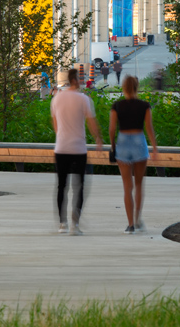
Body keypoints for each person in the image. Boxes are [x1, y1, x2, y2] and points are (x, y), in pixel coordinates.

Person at [50, 68, 103, 235]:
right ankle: (75, 225)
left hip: (61, 147)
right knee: (79, 186)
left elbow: (56, 124)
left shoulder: (57, 99)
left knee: (61, 186)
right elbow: (91, 123)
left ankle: (62, 224)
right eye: (80, 78)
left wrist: (61, 135)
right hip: (79, 148)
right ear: (76, 80)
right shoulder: (84, 99)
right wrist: (98, 139)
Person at [109, 74, 158, 233]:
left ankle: (130, 225)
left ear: (123, 88)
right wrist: (155, 148)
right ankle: (137, 219)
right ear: (136, 87)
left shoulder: (116, 106)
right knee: (138, 184)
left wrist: (113, 145)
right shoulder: (145, 106)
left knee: (126, 187)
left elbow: (111, 129)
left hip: (122, 142)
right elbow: (149, 128)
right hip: (139, 140)